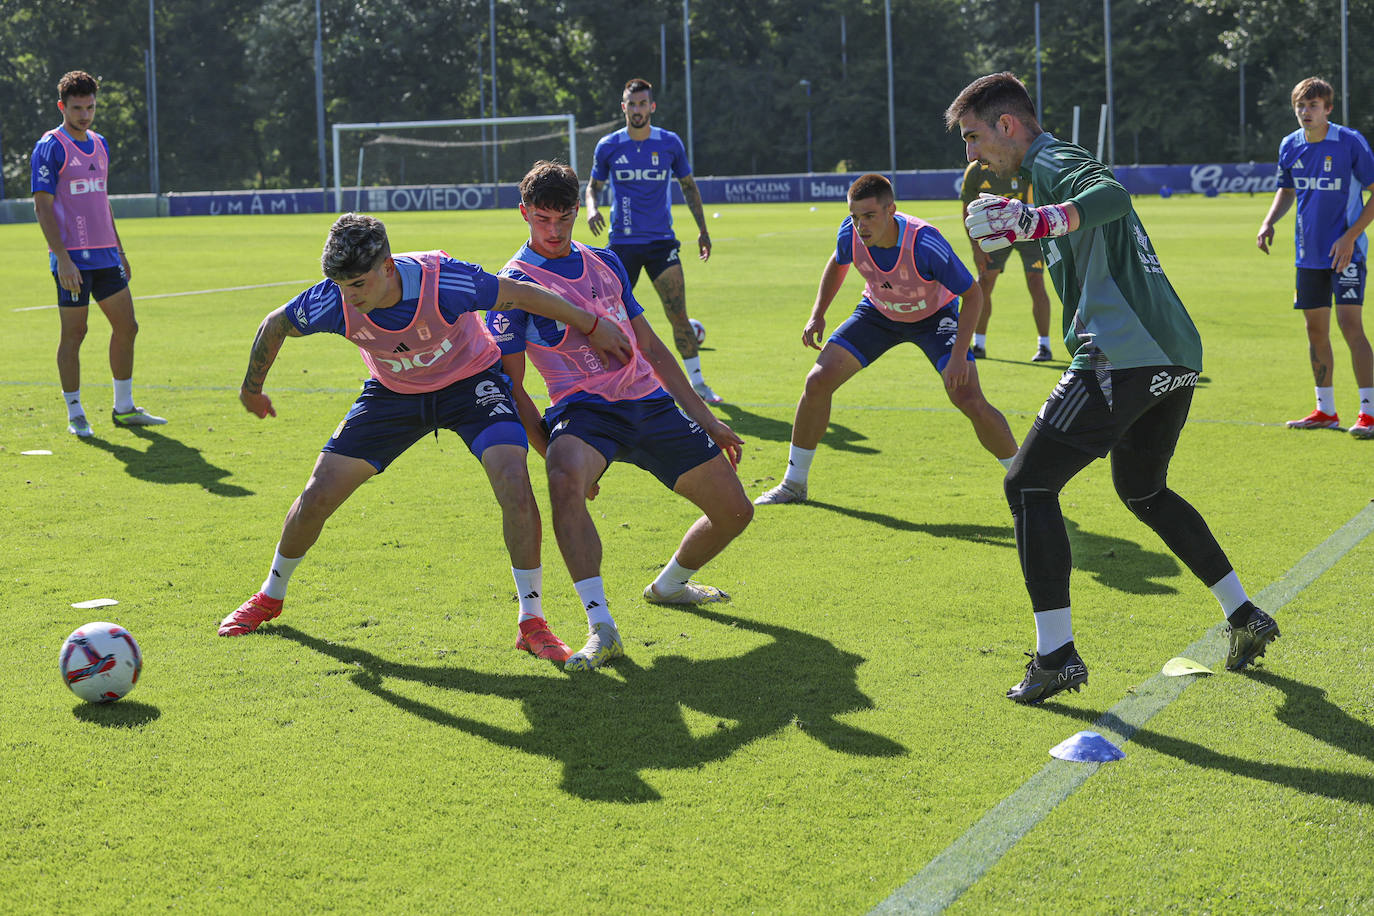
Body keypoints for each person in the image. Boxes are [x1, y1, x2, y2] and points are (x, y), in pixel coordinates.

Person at [946, 71, 1279, 704]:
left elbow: (1112, 195)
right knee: (1143, 490)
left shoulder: (1055, 158)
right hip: (1173, 354)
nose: (970, 154)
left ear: (1007, 125)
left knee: (1027, 483)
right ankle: (1245, 615)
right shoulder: (1042, 172)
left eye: (972, 137)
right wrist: (1026, 224)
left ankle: (1056, 657)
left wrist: (1036, 218)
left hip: (1124, 355)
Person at [218, 212, 632, 666]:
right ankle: (270, 596)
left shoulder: (447, 282)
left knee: (513, 480)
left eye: (358, 284)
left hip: (470, 386)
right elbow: (274, 324)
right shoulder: (332, 302)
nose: (349, 297)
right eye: (340, 285)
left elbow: (519, 295)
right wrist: (251, 389)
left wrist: (591, 324)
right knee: (317, 493)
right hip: (392, 396)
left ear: (388, 267)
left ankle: (531, 621)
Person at [490, 161, 753, 671]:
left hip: (651, 404)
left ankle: (670, 585)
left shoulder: (604, 261)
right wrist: (553, 453)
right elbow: (512, 386)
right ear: (524, 213)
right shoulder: (512, 287)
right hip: (584, 412)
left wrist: (707, 419)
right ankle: (600, 625)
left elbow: (651, 346)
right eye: (542, 219)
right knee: (564, 477)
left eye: (563, 218)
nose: (554, 231)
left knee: (736, 512)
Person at [753, 173, 1018, 506]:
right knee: (817, 382)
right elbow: (838, 261)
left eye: (869, 216)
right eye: (854, 216)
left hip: (934, 318)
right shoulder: (850, 233)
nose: (860, 225)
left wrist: (958, 355)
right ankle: (793, 485)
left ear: (891, 209)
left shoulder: (925, 242)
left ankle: (1026, 481)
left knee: (967, 397)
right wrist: (818, 313)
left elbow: (973, 294)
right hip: (878, 314)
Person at [30, 70, 165, 438]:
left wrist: (120, 248)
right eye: (77, 108)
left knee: (128, 326)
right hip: (72, 257)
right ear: (62, 106)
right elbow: (42, 206)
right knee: (75, 332)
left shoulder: (100, 144)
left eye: (90, 107)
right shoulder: (50, 146)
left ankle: (124, 408)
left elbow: (101, 201)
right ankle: (75, 412)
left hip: (106, 254)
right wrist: (63, 258)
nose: (85, 115)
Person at [585, 77, 723, 405]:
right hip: (621, 246)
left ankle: (698, 384)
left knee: (678, 314)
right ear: (623, 107)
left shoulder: (670, 143)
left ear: (652, 107)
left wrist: (702, 230)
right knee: (609, 319)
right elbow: (593, 187)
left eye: (642, 104)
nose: (637, 109)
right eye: (631, 104)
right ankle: (606, 384)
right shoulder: (608, 146)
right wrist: (591, 209)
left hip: (662, 244)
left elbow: (689, 187)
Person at [1256, 76, 1374, 438]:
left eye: (1313, 106)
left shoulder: (1350, 142)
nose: (1305, 112)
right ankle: (1325, 410)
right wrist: (1269, 221)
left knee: (1351, 327)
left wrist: (1349, 238)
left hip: (1346, 254)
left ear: (1328, 108)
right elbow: (1287, 189)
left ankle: (1369, 413)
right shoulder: (1290, 144)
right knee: (1315, 330)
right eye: (1300, 106)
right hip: (1308, 255)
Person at [959, 160, 1056, 362]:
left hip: (1029, 230)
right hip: (996, 231)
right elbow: (967, 209)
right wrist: (976, 248)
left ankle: (1044, 346)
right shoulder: (976, 170)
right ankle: (979, 344)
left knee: (1036, 282)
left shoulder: (1023, 161)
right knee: (984, 281)